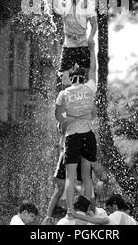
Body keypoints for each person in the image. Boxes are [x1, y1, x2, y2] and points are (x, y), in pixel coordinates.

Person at [55, 46, 97, 215]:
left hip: (72, 136)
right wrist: (82, 117)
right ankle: (86, 210)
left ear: (71, 79)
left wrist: (68, 120)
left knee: (70, 177)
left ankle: (71, 210)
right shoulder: (89, 89)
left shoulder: (63, 94)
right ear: (83, 78)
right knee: (87, 176)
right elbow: (93, 114)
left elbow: (58, 116)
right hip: (88, 133)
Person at [52, 0, 97, 87]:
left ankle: (87, 98)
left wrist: (90, 37)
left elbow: (94, 25)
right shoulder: (64, 4)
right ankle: (65, 97)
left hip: (83, 44)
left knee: (89, 74)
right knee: (64, 75)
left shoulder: (86, 5)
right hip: (69, 45)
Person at [72, 193, 138, 225]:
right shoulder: (133, 221)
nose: (109, 213)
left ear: (114, 206)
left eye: (109, 209)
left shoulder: (118, 214)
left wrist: (78, 216)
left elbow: (103, 221)